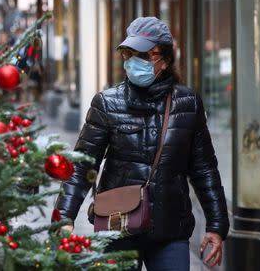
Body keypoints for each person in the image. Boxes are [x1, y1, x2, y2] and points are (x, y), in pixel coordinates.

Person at [55, 17, 228, 271]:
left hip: (171, 229)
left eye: (144, 55)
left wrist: (216, 224)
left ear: (166, 59)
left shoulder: (188, 104)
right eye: (129, 53)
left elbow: (204, 169)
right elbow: (81, 165)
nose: (133, 61)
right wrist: (65, 218)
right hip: (118, 228)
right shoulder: (107, 103)